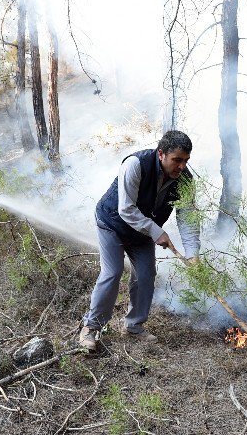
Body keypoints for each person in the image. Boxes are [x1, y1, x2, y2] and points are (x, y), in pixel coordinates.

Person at [79, 130, 200, 351]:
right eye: (177, 160)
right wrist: (156, 232)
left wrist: (192, 254)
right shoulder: (135, 164)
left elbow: (188, 219)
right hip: (112, 223)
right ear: (161, 154)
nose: (182, 166)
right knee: (112, 272)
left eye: (186, 161)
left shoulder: (185, 180)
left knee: (146, 275)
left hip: (141, 232)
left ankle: (134, 326)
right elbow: (126, 209)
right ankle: (91, 328)